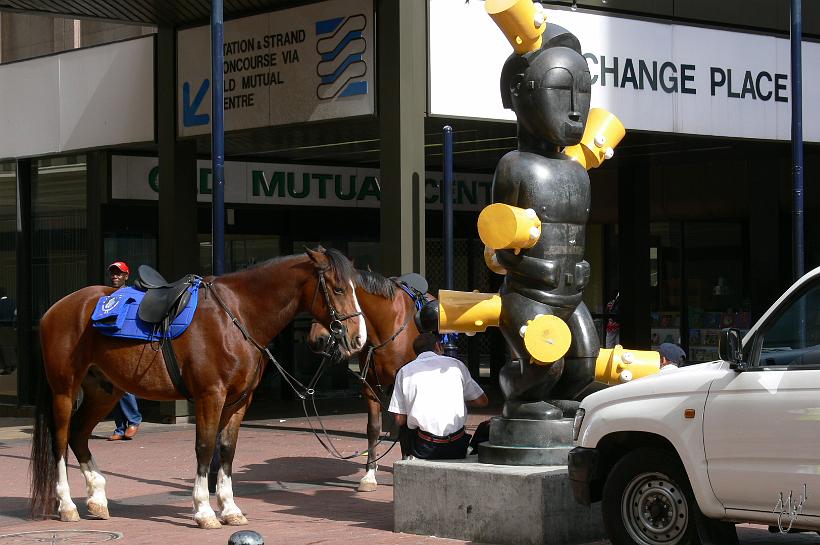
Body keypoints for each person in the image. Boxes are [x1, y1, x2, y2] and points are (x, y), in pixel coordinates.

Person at [389, 332, 488, 460]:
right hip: (457, 447)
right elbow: (482, 401)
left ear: (416, 353)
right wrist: (456, 398)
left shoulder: (405, 371)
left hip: (423, 448)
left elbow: (399, 419)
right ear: (438, 346)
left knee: (405, 424)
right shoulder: (456, 365)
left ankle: (407, 458)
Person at [107, 261, 142, 441]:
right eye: (113, 273)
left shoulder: (132, 294)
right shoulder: (106, 296)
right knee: (114, 386)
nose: (115, 276)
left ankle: (134, 420)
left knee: (124, 385)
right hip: (111, 343)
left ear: (126, 276)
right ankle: (120, 427)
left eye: (119, 274)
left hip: (126, 343)